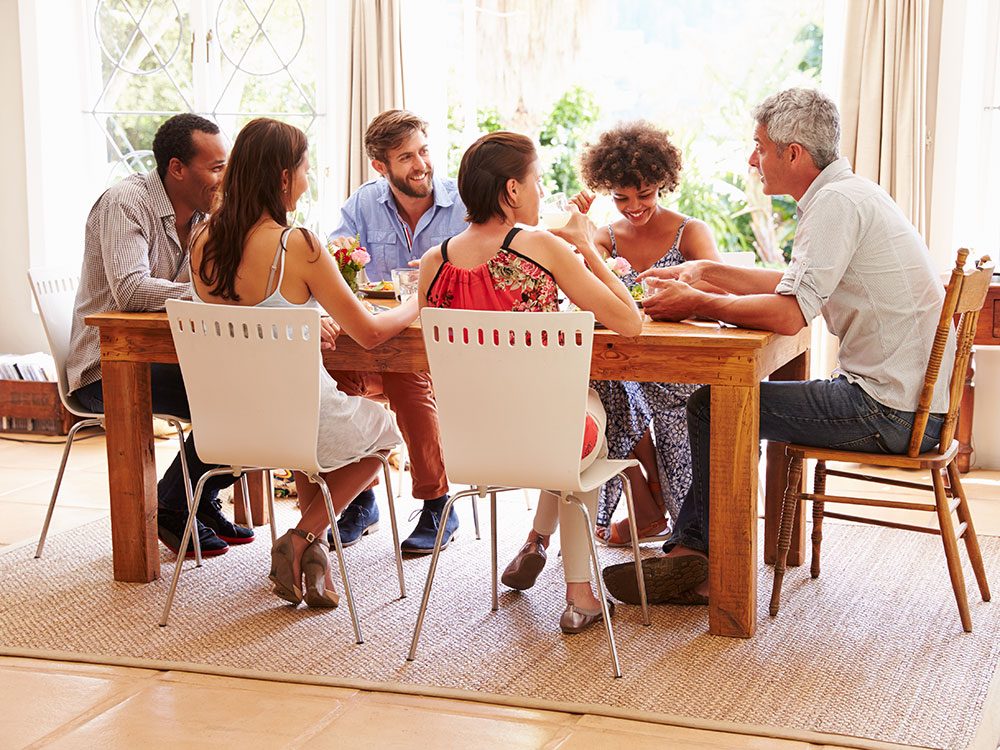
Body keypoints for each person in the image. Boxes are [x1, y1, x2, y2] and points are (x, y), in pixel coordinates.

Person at [603, 88, 953, 606]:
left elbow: (790, 315)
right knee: (719, 403)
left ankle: (701, 560)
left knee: (710, 404)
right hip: (908, 404)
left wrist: (696, 301)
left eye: (760, 146)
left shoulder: (834, 205)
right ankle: (694, 552)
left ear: (794, 154)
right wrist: (706, 272)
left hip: (886, 411)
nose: (752, 158)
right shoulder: (851, 194)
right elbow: (794, 282)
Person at [418, 131, 643, 633]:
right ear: (513, 190)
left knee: (560, 428)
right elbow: (630, 322)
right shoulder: (539, 246)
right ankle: (580, 594)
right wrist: (587, 246)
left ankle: (536, 543)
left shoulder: (435, 262)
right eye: (537, 181)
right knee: (579, 428)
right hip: (546, 434)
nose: (542, 192)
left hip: (471, 441)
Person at [189, 117, 416, 607]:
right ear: (282, 177)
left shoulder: (202, 242)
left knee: (319, 446)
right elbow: (371, 333)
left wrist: (305, 324)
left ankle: (313, 563)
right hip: (299, 418)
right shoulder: (300, 246)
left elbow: (250, 321)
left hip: (229, 422)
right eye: (305, 170)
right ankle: (302, 538)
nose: (308, 181)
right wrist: (420, 300)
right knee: (384, 434)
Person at [67, 113, 255, 559]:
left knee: (261, 390)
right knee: (239, 399)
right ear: (176, 168)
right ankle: (172, 504)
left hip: (173, 355)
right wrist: (212, 295)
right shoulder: (125, 203)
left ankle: (198, 498)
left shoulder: (207, 213)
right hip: (109, 366)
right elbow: (131, 290)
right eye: (216, 168)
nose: (225, 177)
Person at [570, 121, 721, 547]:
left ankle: (658, 509)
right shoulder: (605, 238)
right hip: (626, 365)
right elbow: (581, 286)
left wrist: (681, 292)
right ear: (606, 191)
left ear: (663, 183)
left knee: (618, 391)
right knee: (606, 385)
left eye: (645, 194)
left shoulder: (689, 231)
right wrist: (579, 232)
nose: (634, 207)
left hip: (677, 370)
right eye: (620, 197)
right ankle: (646, 503)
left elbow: (715, 283)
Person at [327, 110, 468, 554]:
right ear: (381, 167)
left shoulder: (465, 203)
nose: (421, 164)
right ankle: (360, 498)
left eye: (423, 151)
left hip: (448, 351)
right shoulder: (362, 205)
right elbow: (335, 267)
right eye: (406, 157)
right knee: (337, 378)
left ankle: (437, 504)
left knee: (408, 381)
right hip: (377, 344)